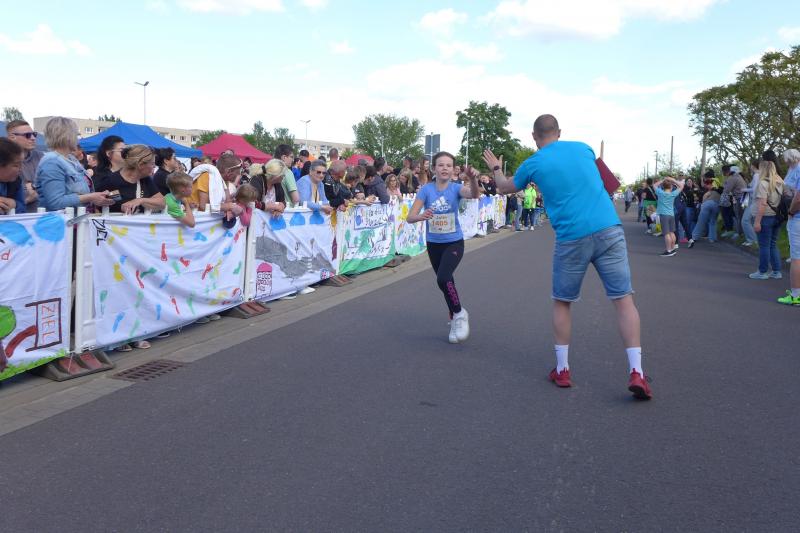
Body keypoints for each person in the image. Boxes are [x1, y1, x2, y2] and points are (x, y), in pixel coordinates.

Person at [485, 114, 651, 400]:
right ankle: (636, 371)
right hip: (608, 229)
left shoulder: (533, 163)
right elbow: (608, 182)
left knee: (563, 302)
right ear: (559, 132)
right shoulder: (584, 148)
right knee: (624, 300)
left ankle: (562, 369)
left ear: (534, 136)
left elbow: (503, 186)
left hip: (572, 236)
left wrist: (497, 168)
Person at [406, 151, 479, 344]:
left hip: (454, 242)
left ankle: (459, 313)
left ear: (453, 169)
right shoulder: (426, 190)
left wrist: (473, 179)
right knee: (446, 283)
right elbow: (410, 217)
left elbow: (474, 194)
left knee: (443, 278)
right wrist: (421, 216)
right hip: (433, 244)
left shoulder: (456, 188)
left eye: (448, 165)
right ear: (434, 169)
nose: (445, 168)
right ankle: (455, 319)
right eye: (441, 165)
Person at [36, 117, 115, 212]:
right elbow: (55, 202)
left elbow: (79, 194)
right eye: (76, 135)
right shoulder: (52, 162)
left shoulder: (71, 159)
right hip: (62, 220)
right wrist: (91, 197)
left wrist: (97, 198)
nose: (78, 139)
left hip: (77, 218)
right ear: (67, 136)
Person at [95, 145, 166, 215]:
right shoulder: (112, 182)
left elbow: (162, 202)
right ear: (140, 164)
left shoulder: (145, 179)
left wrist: (140, 200)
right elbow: (103, 206)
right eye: (152, 163)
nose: (154, 166)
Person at [749, 160, 785, 280]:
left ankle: (762, 272)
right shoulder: (780, 182)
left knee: (764, 245)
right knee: (772, 245)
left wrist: (757, 221)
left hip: (765, 217)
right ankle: (776, 271)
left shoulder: (763, 183)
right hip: (777, 216)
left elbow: (763, 204)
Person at [5, 119, 44, 212]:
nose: (33, 138)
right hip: (17, 217)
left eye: (34, 134)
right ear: (12, 137)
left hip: (43, 215)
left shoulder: (41, 157)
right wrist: (27, 198)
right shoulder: (4, 160)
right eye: (27, 135)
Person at [654, 176, 684, 256]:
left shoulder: (660, 193)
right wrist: (672, 180)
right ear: (671, 186)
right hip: (671, 215)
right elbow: (681, 186)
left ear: (663, 186)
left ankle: (669, 250)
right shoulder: (673, 194)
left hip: (664, 215)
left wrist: (663, 180)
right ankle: (672, 249)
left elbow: (655, 185)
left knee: (666, 234)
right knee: (672, 232)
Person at [687, 177, 722, 248]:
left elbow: (705, 195)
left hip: (707, 204)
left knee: (701, 221)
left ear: (711, 184)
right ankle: (712, 238)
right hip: (717, 205)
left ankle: (694, 237)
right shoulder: (720, 190)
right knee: (713, 222)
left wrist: (703, 204)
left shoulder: (712, 190)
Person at [0, 138, 26, 215]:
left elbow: (23, 208)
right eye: (16, 165)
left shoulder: (15, 182)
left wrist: (14, 204)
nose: (21, 169)